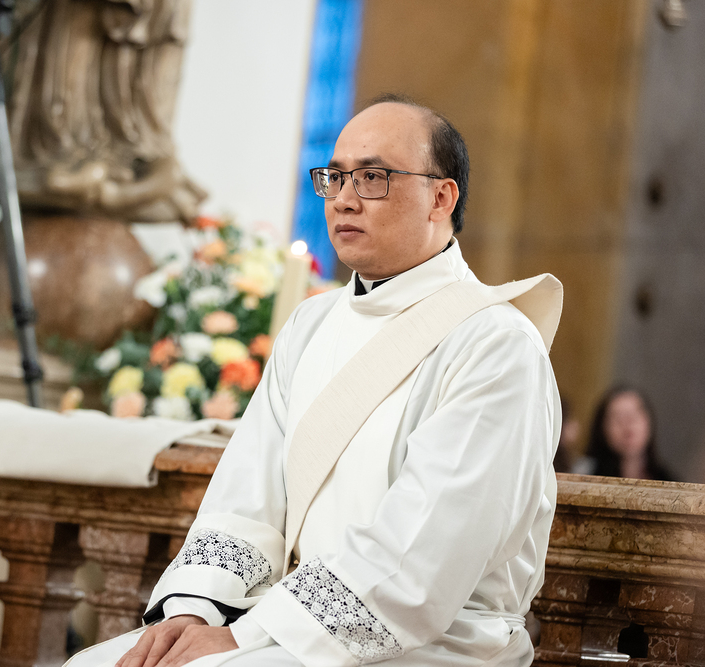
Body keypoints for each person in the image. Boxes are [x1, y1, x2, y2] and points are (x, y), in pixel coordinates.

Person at [66, 94, 563, 667]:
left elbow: (425, 553)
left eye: (372, 177)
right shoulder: (311, 324)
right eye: (335, 177)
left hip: (436, 644)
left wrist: (247, 637)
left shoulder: (496, 345)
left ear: (440, 198)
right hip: (285, 621)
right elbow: (245, 496)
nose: (344, 199)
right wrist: (194, 611)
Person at [586, 385, 674, 481]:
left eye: (635, 415)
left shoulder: (668, 481)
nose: (628, 424)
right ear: (602, 427)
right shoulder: (585, 475)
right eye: (618, 418)